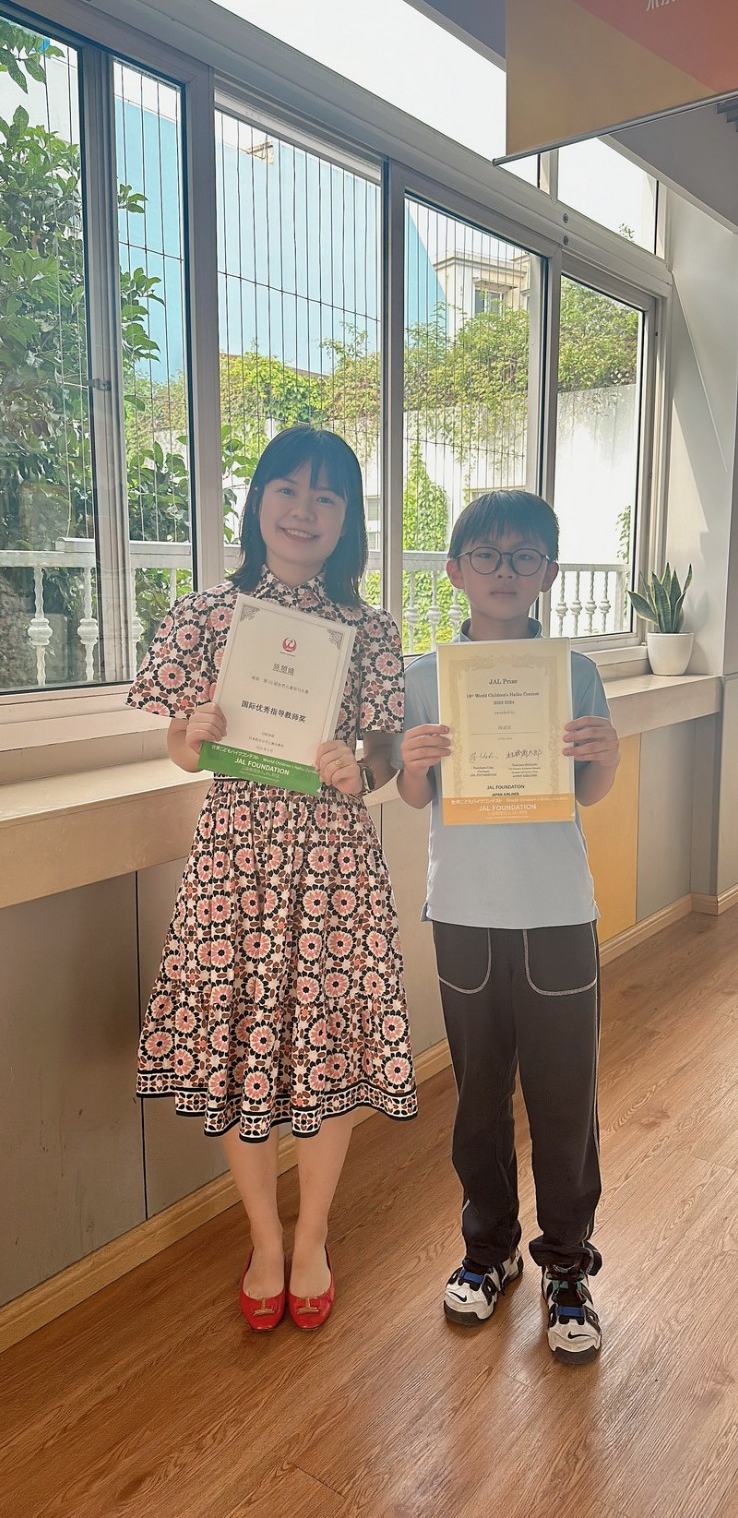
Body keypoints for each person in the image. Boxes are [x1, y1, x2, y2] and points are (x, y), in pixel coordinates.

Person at [128, 424, 416, 1332]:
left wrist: (358, 770)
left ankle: (313, 1236)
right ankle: (263, 1239)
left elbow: (384, 757)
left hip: (333, 867)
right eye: (287, 489)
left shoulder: (372, 629)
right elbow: (180, 749)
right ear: (257, 501)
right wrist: (194, 733)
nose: (304, 510)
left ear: (348, 518)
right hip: (236, 863)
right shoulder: (205, 614)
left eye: (328, 496)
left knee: (326, 1047)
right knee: (237, 1046)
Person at [394, 490, 619, 1364]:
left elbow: (590, 791)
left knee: (565, 1099)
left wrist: (605, 754)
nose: (504, 571)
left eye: (525, 556)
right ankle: (488, 1251)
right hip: (464, 912)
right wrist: (415, 763)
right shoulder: (426, 675)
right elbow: (414, 795)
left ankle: (567, 1266)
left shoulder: (574, 671)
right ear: (455, 570)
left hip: (557, 909)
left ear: (548, 574)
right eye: (486, 555)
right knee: (479, 1096)